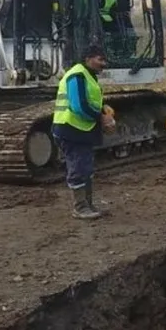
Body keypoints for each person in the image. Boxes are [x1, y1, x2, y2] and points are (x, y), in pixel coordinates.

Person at [52, 44, 115, 220]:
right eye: (100, 59)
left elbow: (89, 100)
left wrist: (103, 107)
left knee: (85, 168)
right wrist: (101, 118)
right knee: (78, 168)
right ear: (88, 58)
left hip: (81, 130)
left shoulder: (88, 76)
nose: (104, 63)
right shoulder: (77, 75)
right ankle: (80, 207)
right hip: (71, 130)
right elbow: (78, 106)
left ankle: (87, 204)